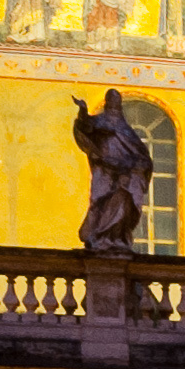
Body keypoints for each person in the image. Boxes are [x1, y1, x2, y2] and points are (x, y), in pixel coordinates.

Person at [71, 90, 153, 254]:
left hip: (125, 174)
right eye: (111, 99)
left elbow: (141, 153)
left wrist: (135, 165)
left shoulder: (125, 129)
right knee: (102, 202)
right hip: (105, 171)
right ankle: (101, 237)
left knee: (125, 199)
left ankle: (116, 238)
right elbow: (84, 128)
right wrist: (82, 112)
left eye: (117, 99)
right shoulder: (100, 121)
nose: (114, 102)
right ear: (107, 101)